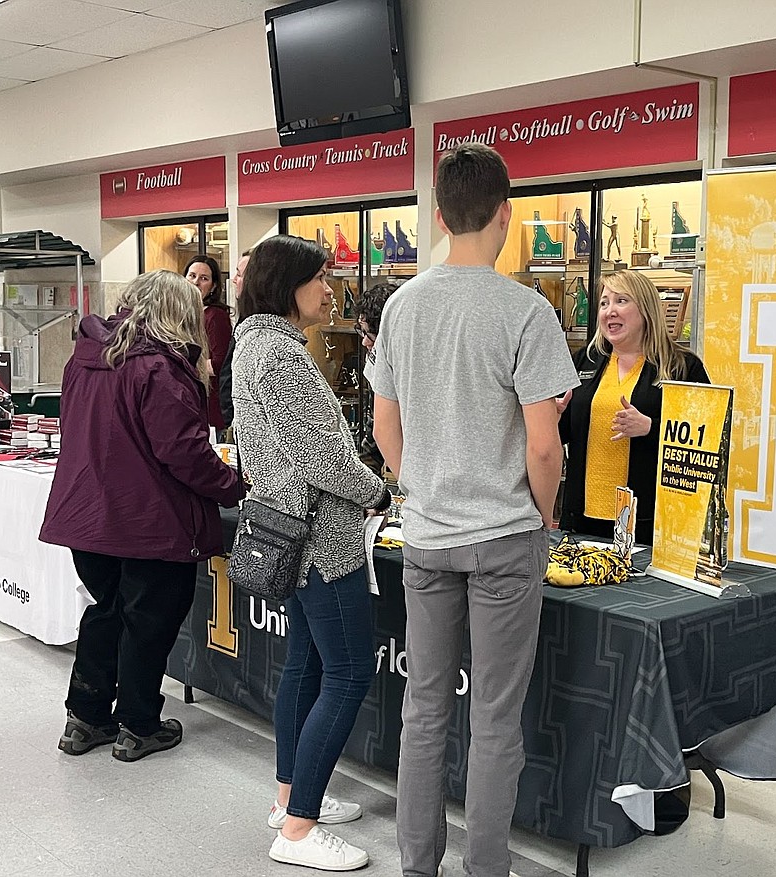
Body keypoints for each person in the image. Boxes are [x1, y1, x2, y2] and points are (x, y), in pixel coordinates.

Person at [372, 144, 579, 877]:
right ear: (506, 215)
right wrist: (545, 514)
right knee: (494, 717)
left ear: (436, 215)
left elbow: (383, 429)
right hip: (504, 538)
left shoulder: (401, 306)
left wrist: (419, 484)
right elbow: (545, 447)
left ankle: (415, 865)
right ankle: (486, 867)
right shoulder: (525, 312)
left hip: (426, 539)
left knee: (423, 709)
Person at [231, 234, 391, 871]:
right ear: (286, 286)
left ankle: (290, 797)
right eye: (320, 279)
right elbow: (322, 459)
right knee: (348, 673)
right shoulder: (283, 358)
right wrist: (380, 492)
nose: (330, 290)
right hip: (322, 541)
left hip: (285, 533)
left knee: (305, 663)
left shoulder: (252, 345)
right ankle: (298, 831)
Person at [40, 270, 244, 762]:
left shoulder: (87, 357)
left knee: (106, 611)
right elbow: (184, 452)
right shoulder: (160, 367)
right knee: (148, 622)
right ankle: (139, 724)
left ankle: (85, 717)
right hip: (149, 519)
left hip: (87, 512)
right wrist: (234, 485)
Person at [557, 269, 710, 541]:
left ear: (646, 309)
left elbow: (706, 441)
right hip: (583, 520)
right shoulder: (585, 361)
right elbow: (561, 433)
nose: (609, 311)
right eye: (604, 303)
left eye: (621, 301)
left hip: (649, 525)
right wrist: (552, 418)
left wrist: (651, 428)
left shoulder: (682, 367)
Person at [352, 282, 398, 466]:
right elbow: (372, 446)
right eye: (362, 332)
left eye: (370, 334)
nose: (365, 342)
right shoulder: (378, 370)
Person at [184, 254, 232, 432]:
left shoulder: (215, 316)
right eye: (192, 275)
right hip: (191, 401)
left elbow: (221, 363)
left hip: (212, 407)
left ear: (213, 286)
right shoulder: (184, 313)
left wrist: (183, 366)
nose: (196, 282)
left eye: (204, 278)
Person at [216, 248, 251, 429]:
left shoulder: (256, 326)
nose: (234, 280)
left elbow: (222, 366)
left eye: (239, 274)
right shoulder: (245, 317)